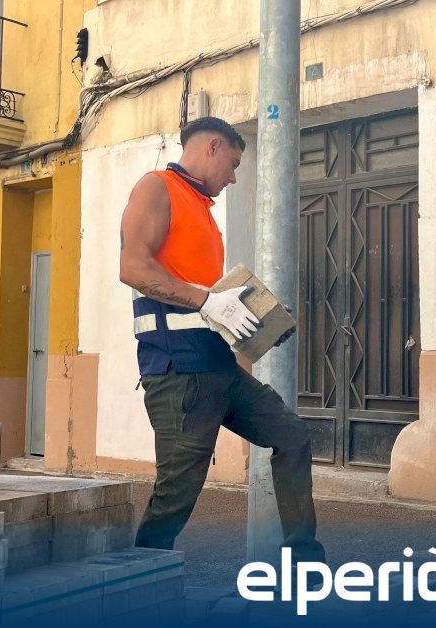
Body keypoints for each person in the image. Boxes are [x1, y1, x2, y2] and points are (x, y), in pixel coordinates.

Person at [119, 116, 324, 562]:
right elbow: (133, 268)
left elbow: (205, 297)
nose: (233, 177)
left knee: (292, 436)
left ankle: (304, 561)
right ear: (212, 147)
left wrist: (258, 323)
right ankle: (139, 578)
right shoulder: (156, 188)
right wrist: (208, 301)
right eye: (233, 164)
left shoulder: (202, 211)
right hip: (178, 374)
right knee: (176, 494)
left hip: (219, 368)